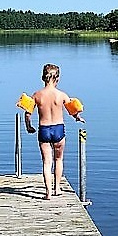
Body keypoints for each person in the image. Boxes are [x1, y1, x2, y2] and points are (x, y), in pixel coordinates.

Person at [24, 63, 85, 200]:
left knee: (47, 162)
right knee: (59, 159)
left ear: (42, 77)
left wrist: (28, 126)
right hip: (58, 129)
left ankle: (48, 192)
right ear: (57, 78)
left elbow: (28, 113)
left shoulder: (37, 95)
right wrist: (78, 118)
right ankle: (57, 188)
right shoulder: (61, 95)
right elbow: (72, 110)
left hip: (44, 129)